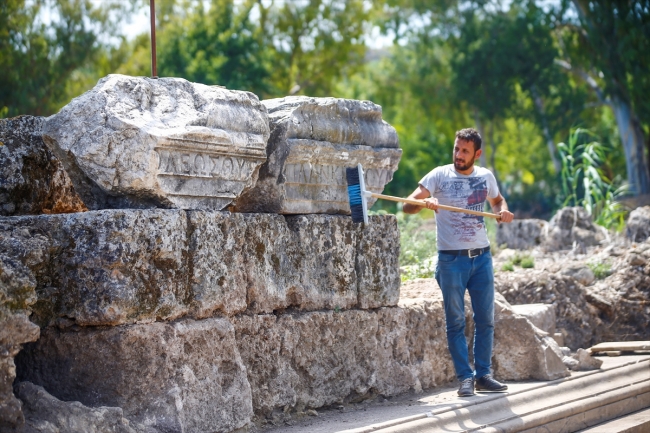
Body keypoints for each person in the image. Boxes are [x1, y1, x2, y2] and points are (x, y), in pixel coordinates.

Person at [403, 128, 514, 397]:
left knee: (485, 319)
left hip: (482, 259)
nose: (458, 155)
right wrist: (423, 203)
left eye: (465, 151)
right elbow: (406, 205)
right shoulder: (439, 175)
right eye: (456, 149)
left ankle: (483, 375)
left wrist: (502, 212)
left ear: (477, 153)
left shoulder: (486, 176)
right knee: (455, 322)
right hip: (451, 261)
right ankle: (465, 378)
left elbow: (497, 201)